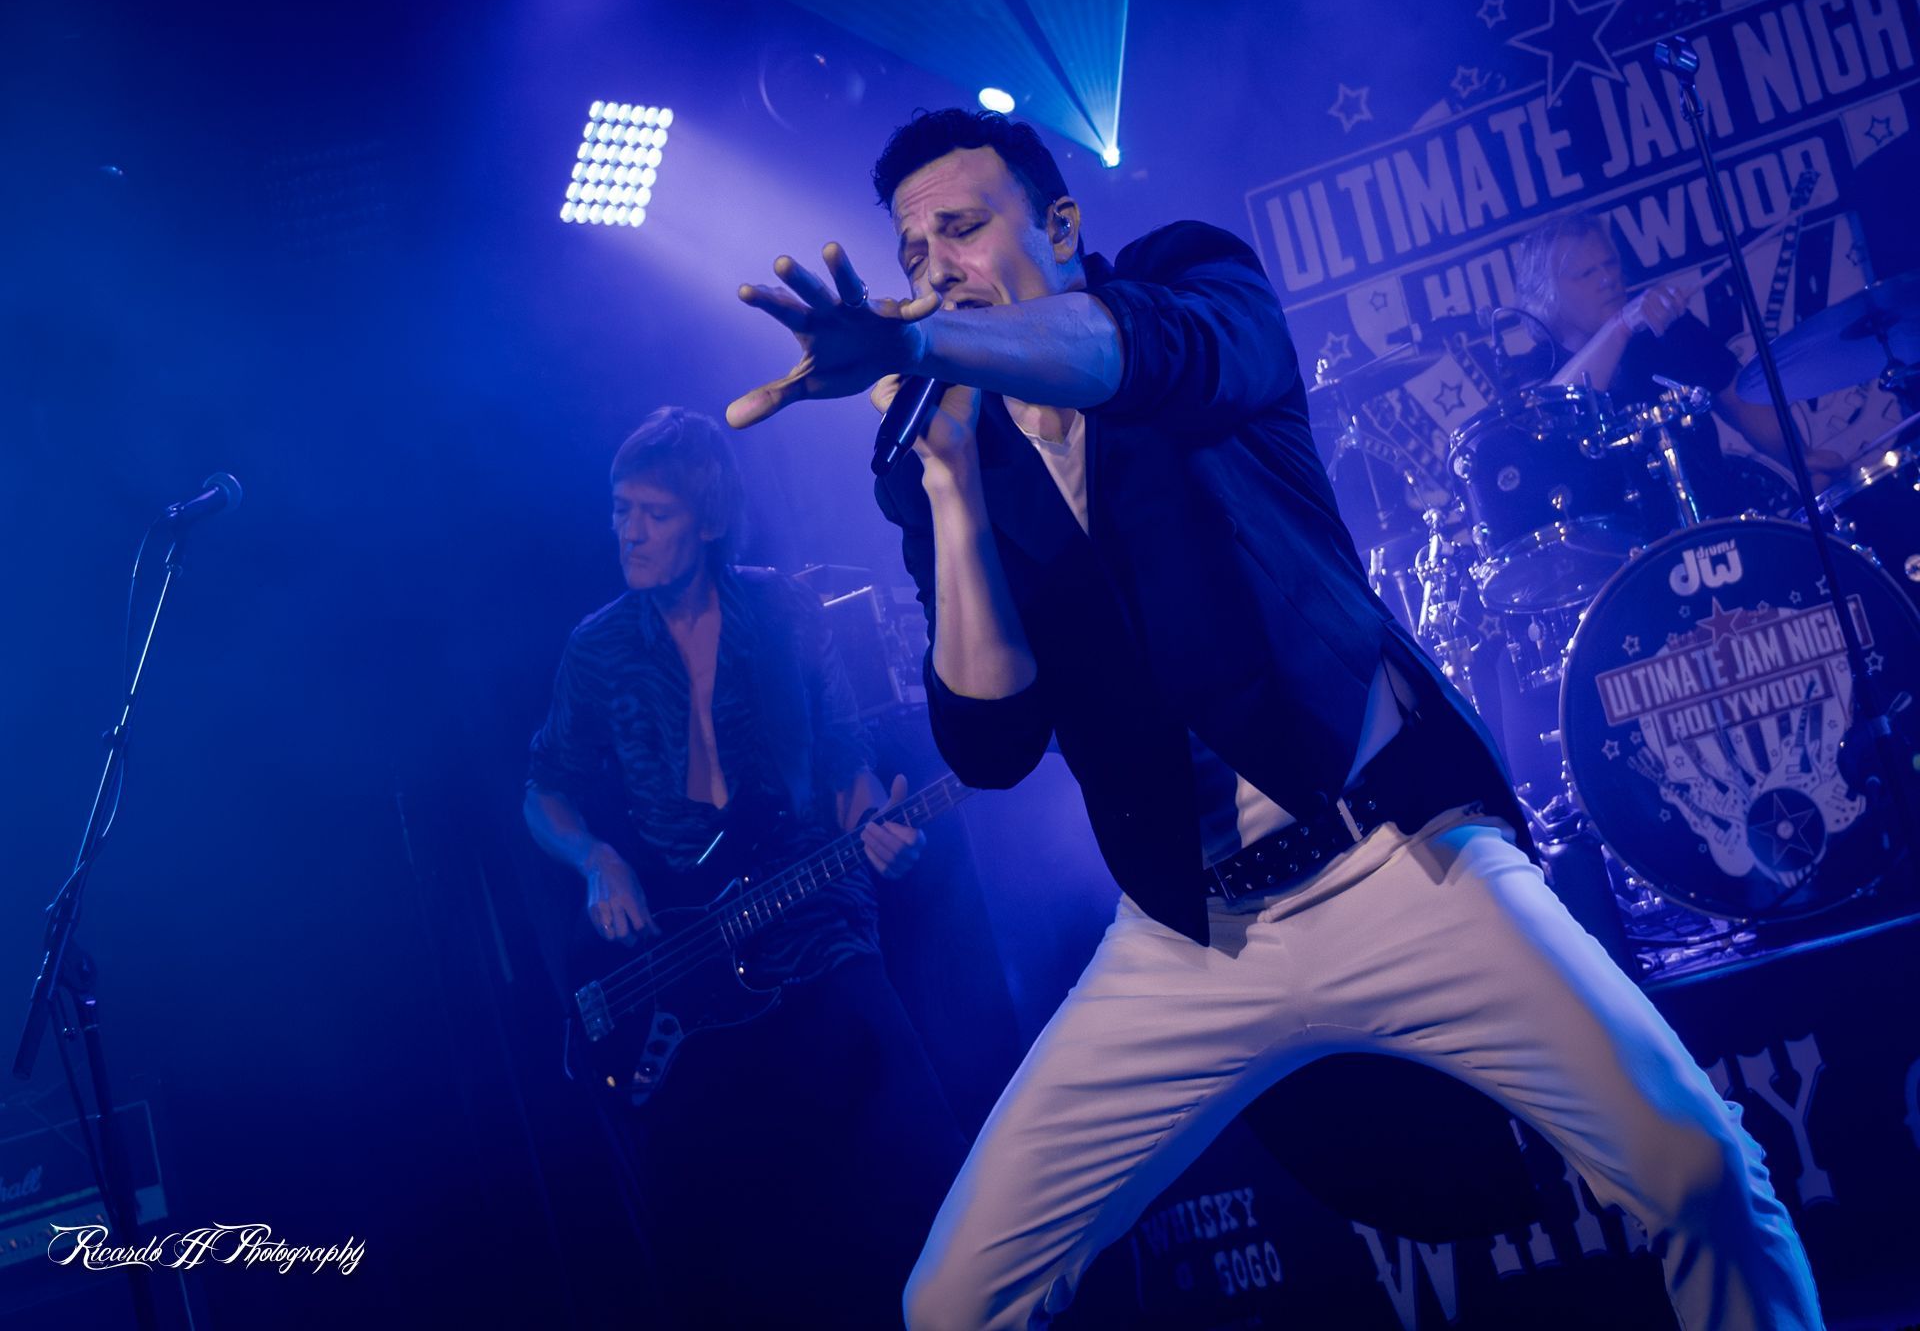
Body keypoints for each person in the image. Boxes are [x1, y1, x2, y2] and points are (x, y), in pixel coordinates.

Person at [725, 108, 1825, 1329]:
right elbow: (991, 746)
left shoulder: (1196, 282)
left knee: (1703, 1172)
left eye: (965, 227)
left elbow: (1130, 358)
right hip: (1190, 932)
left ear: (1065, 230)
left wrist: (967, 354)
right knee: (953, 1302)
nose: (932, 264)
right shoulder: (938, 453)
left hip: (1401, 858)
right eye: (912, 245)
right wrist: (944, 489)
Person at [522, 406, 963, 1327]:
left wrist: (881, 825)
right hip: (685, 965)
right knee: (725, 1271)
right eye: (619, 511)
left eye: (652, 513)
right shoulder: (596, 649)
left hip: (820, 930)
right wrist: (598, 859)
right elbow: (542, 793)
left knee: (929, 1191)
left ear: (708, 519)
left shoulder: (782, 608)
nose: (628, 533)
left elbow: (843, 762)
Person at [1510, 209, 1848, 509]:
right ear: (1546, 295)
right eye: (1586, 274)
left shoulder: (1670, 331)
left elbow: (1745, 405)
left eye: (1610, 263)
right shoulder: (1533, 373)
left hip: (1721, 528)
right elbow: (1557, 420)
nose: (1608, 279)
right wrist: (1620, 326)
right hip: (1622, 567)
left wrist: (1802, 461)